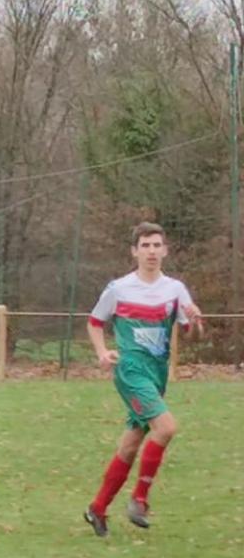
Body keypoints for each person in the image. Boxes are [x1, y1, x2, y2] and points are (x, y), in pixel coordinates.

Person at [83, 222, 203, 536]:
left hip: (157, 373)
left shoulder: (175, 289)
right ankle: (139, 500)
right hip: (130, 371)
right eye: (145, 245)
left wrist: (193, 322)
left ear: (165, 250)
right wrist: (102, 352)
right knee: (166, 427)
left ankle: (97, 508)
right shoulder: (119, 288)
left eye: (156, 245)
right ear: (134, 251)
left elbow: (188, 334)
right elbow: (95, 322)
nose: (151, 251)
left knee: (131, 445)